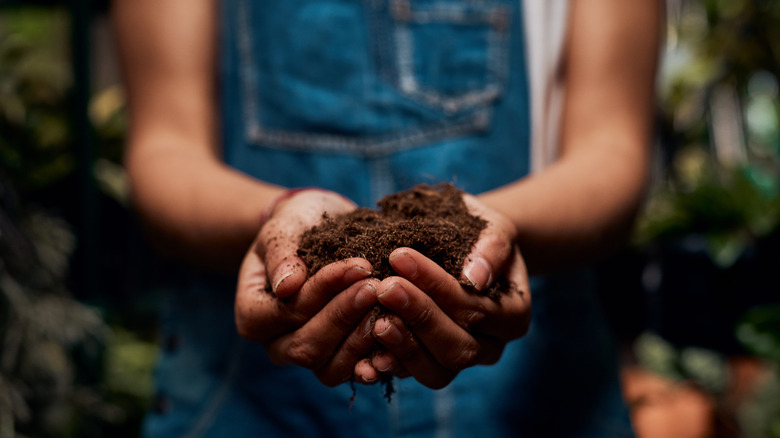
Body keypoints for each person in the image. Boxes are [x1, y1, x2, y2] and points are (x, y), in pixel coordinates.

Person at [113, 0, 661, 436]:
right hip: (248, 394)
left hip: (533, 388)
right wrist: (276, 216)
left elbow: (613, 150)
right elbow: (165, 150)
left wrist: (492, 232)